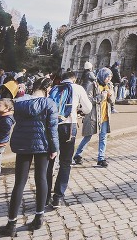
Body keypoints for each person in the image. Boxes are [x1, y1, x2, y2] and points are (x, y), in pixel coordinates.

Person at [0, 77, 58, 235]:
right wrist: (54, 148)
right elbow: (52, 128)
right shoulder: (49, 103)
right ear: (46, 88)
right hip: (42, 144)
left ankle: (11, 224)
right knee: (41, 178)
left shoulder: (20, 101)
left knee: (19, 183)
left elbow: (16, 120)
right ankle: (38, 218)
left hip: (23, 143)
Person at [46, 70, 92, 208]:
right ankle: (58, 197)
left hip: (52, 126)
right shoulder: (78, 88)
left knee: (50, 160)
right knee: (65, 162)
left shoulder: (54, 88)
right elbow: (88, 108)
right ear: (74, 79)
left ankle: (45, 194)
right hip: (68, 126)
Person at [73, 67, 114, 168]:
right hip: (94, 115)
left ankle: (101, 158)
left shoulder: (109, 86)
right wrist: (101, 97)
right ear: (102, 76)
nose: (109, 79)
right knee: (88, 136)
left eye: (110, 77)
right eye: (107, 77)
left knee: (103, 137)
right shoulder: (93, 85)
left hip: (104, 116)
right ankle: (78, 155)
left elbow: (112, 101)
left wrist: (110, 96)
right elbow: (88, 100)